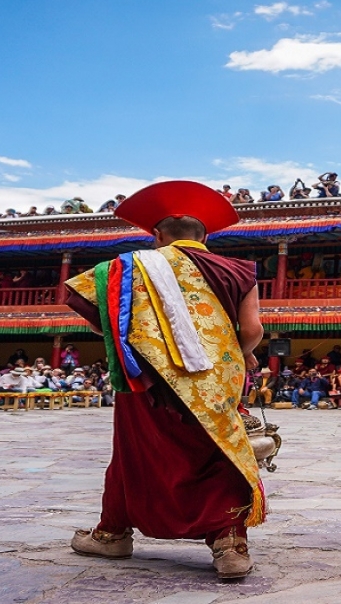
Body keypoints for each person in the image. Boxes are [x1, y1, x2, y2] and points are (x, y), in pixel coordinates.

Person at [63, 180, 266, 579]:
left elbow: (103, 319)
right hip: (216, 382)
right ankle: (230, 544)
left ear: (157, 236)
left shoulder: (128, 267)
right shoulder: (239, 270)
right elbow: (253, 329)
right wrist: (240, 354)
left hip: (147, 382)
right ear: (204, 236)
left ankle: (113, 534)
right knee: (218, 453)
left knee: (135, 454)